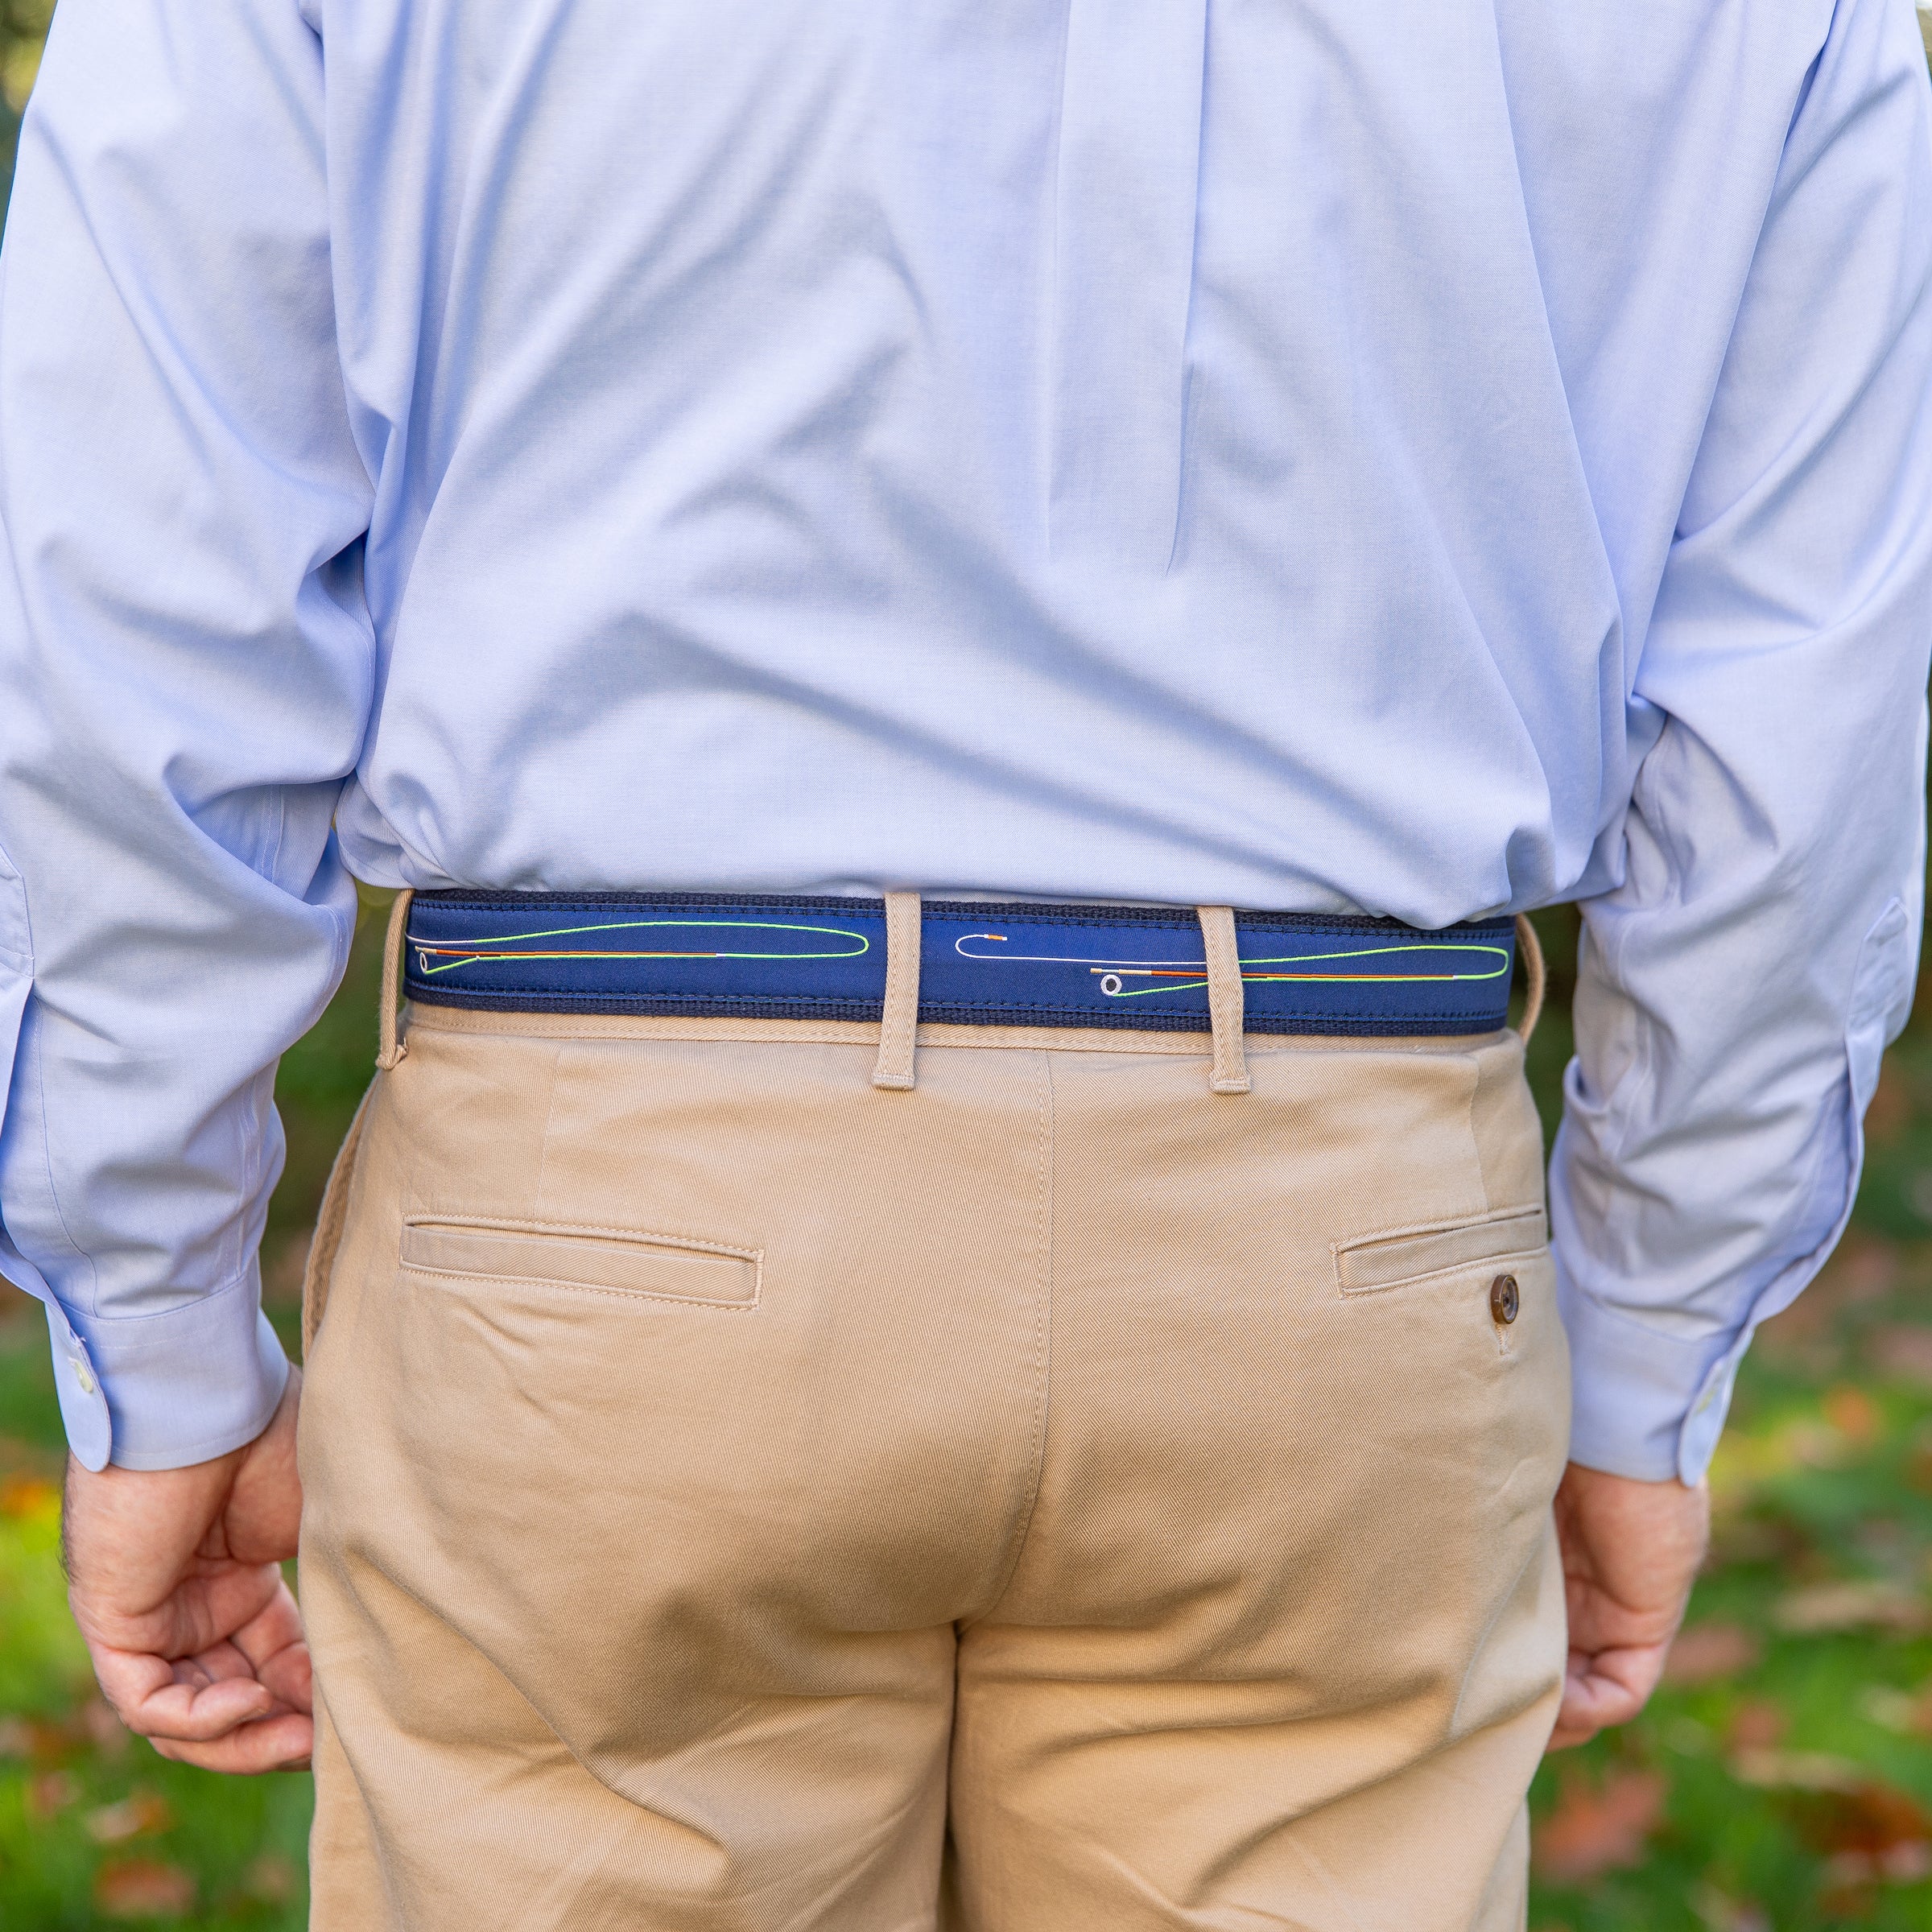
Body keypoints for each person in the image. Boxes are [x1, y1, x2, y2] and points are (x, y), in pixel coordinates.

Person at [2, 2, 1930, 1926]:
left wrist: (153, 1319)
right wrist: (1651, 1343)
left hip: (611, 1238)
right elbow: (1799, 744)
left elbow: (129, 607)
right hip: (1336, 1248)